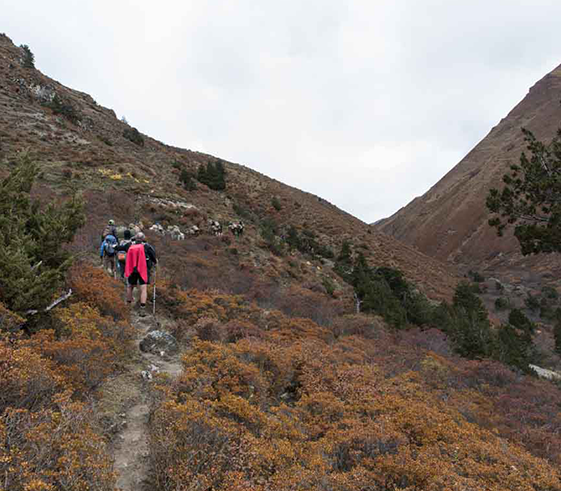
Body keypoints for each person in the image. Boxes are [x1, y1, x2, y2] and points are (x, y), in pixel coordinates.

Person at [124, 232, 157, 317]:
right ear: (143, 238)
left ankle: (128, 307)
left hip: (132, 269)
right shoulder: (147, 246)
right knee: (143, 288)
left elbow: (121, 248)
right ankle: (142, 310)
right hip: (143, 269)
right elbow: (154, 258)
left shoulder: (130, 246)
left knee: (130, 286)